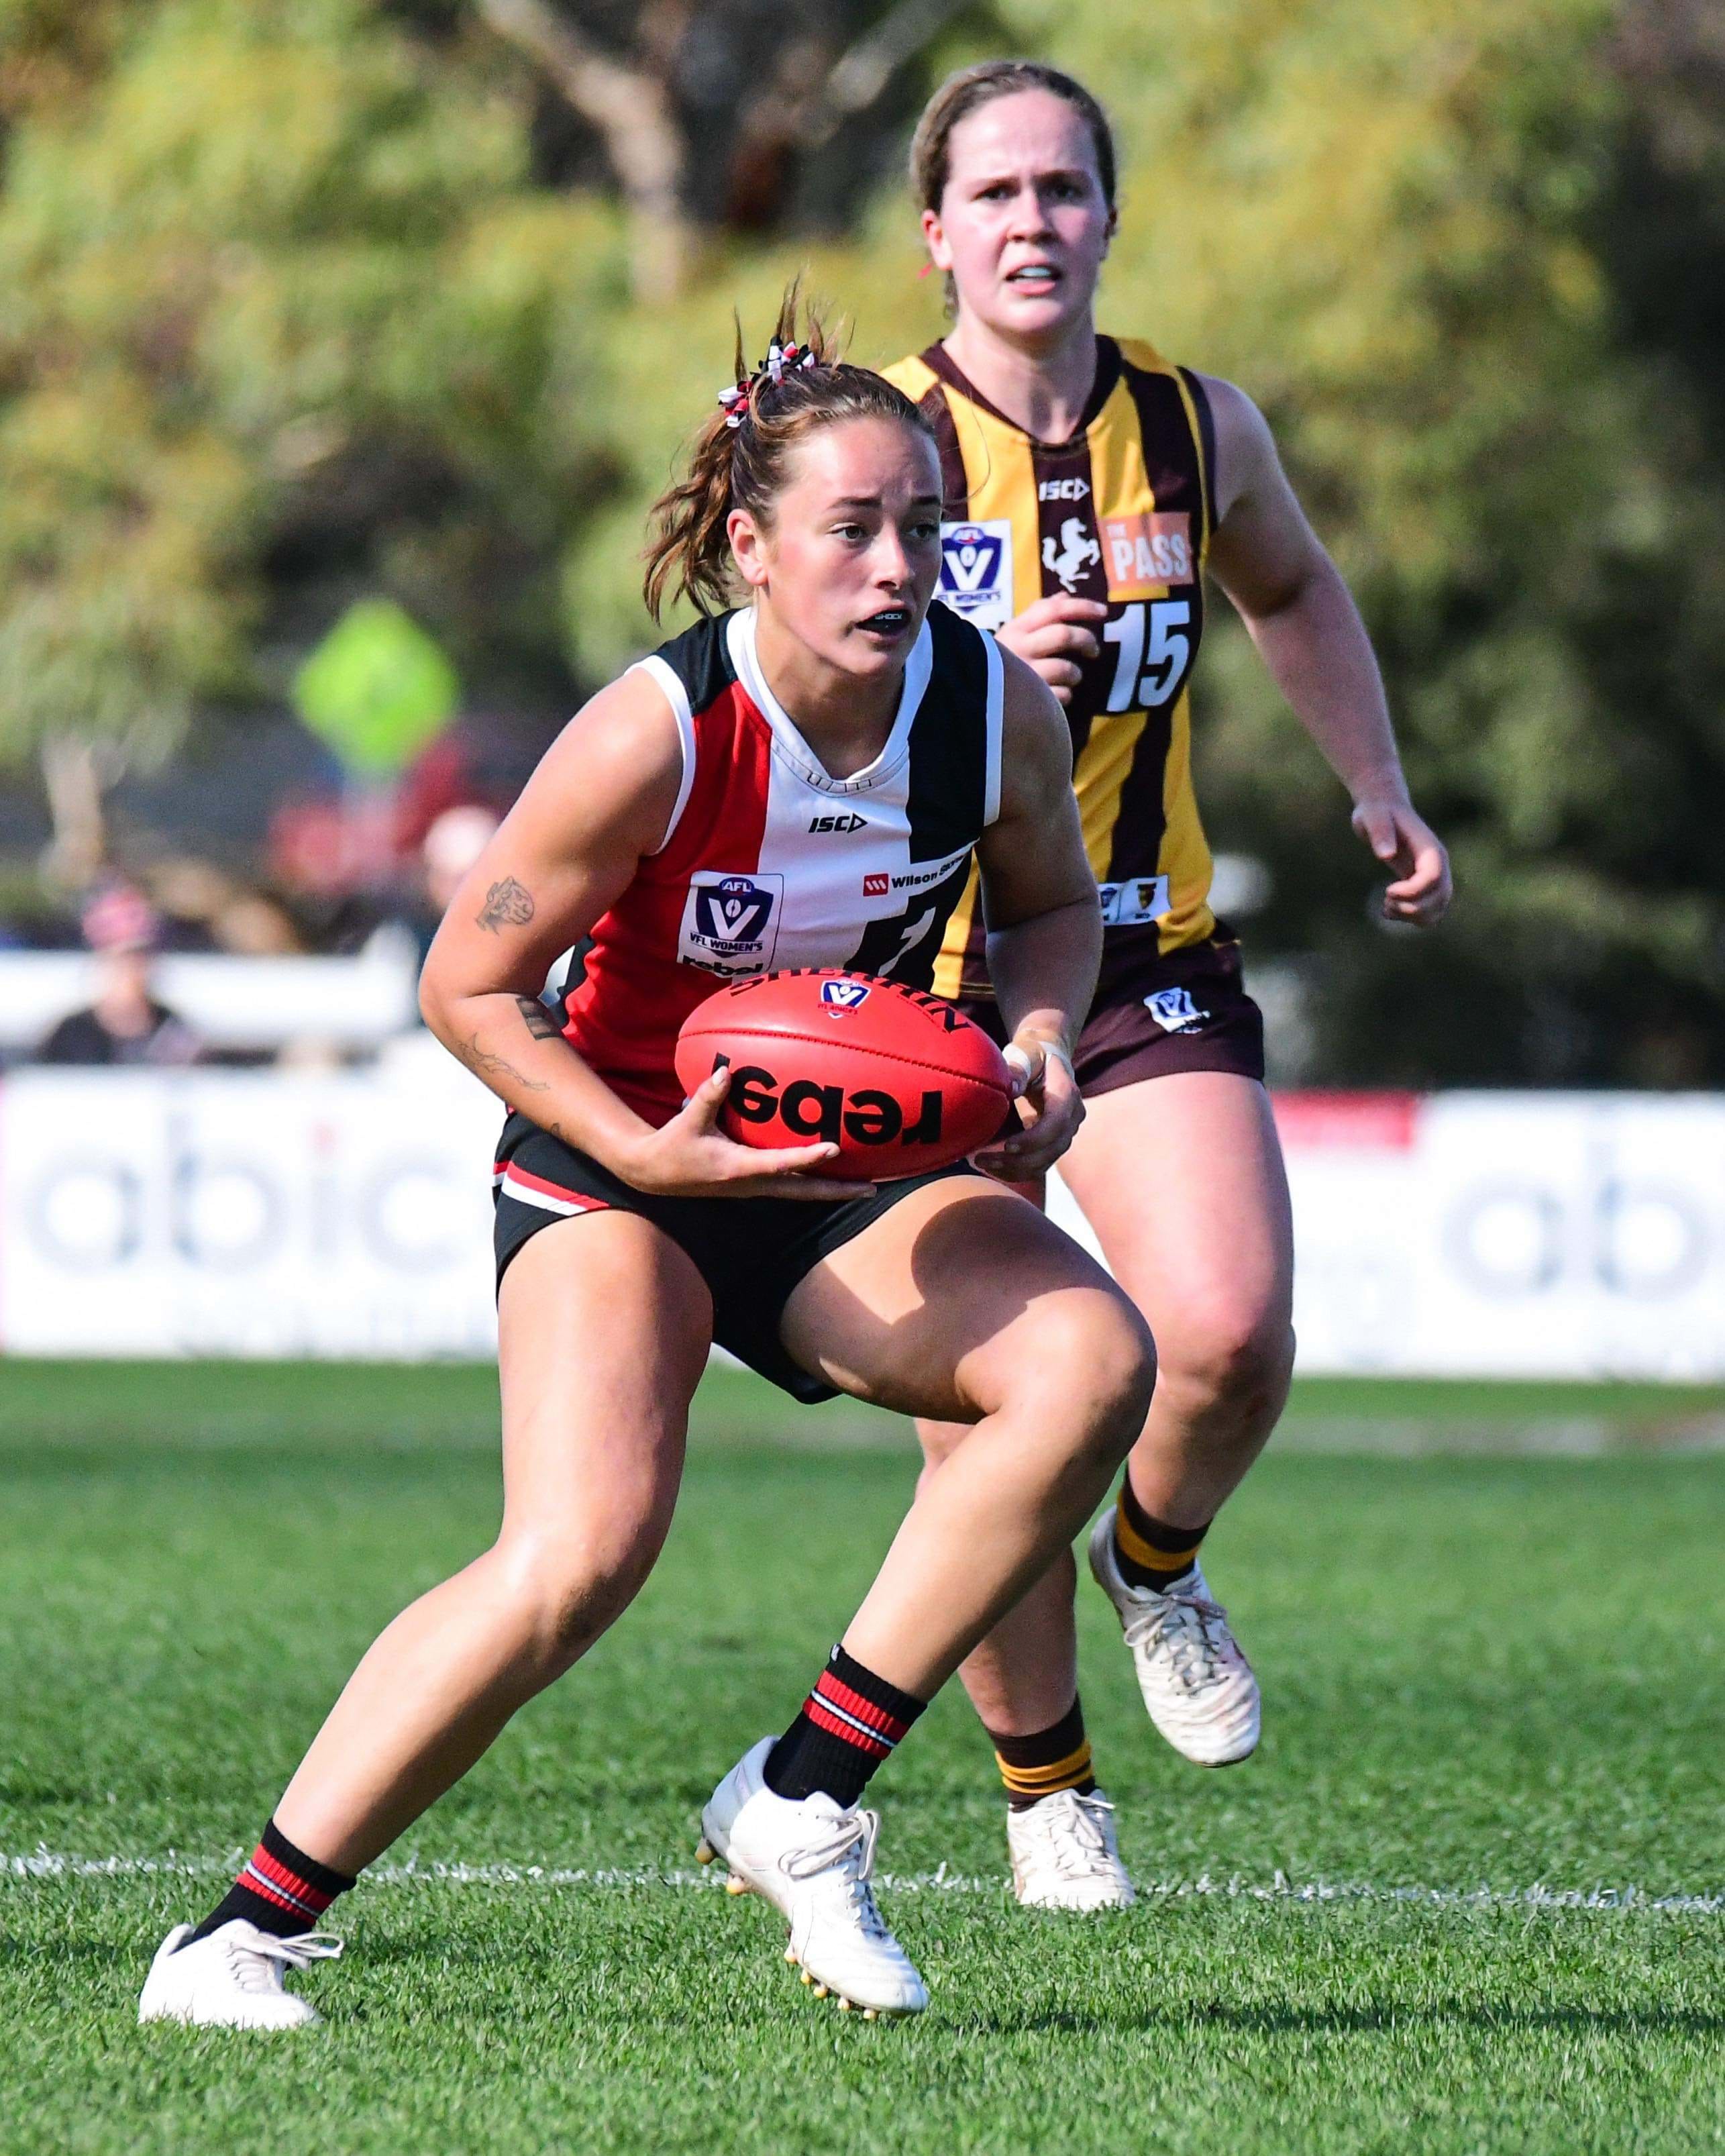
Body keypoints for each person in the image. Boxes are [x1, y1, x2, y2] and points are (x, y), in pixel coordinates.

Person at [138, 306, 1155, 2031]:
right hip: (618, 1154)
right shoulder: (656, 730)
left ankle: (803, 1795)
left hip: (836, 1164)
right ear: (751, 546)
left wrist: (1042, 1039)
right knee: (578, 1555)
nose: (896, 565)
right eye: (851, 529)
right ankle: (237, 1940)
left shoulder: (989, 709)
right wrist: (634, 1147)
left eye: (922, 526)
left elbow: (1053, 906)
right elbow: (464, 984)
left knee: (1090, 1363)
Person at [879, 61, 1453, 1911]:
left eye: (1062, 187)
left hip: (1140, 944)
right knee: (994, 1423)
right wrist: (972, 667)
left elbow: (1291, 589)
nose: (1030, 220)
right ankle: (1047, 1794)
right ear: (934, 232)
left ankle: (1155, 1555)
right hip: (918, 975)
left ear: (1109, 215)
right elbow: (780, 694)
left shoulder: (1197, 427)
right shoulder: (878, 441)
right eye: (994, 193)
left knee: (1226, 1333)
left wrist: (1374, 781)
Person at [36, 883, 201, 1068]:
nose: (133, 967)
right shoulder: (71, 1036)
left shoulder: (173, 1029)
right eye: (124, 957)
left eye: (142, 954)